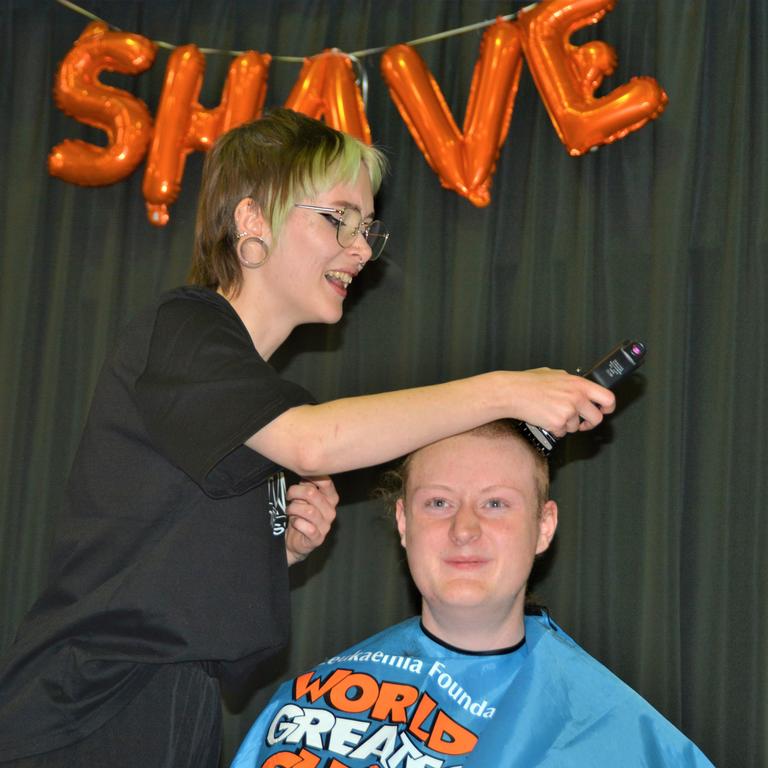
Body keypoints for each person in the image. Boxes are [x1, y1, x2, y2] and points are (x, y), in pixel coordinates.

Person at [0, 109, 615, 767]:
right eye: (338, 219)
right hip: (88, 708)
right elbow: (316, 444)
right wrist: (505, 390)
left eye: (367, 228)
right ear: (251, 221)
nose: (359, 249)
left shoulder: (245, 393)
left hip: (175, 707)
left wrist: (274, 549)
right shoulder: (185, 328)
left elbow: (166, 548)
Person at [231, 421, 714, 768]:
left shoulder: (611, 728)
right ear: (403, 523)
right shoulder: (312, 705)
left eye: (495, 503)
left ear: (543, 527)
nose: (464, 529)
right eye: (439, 502)